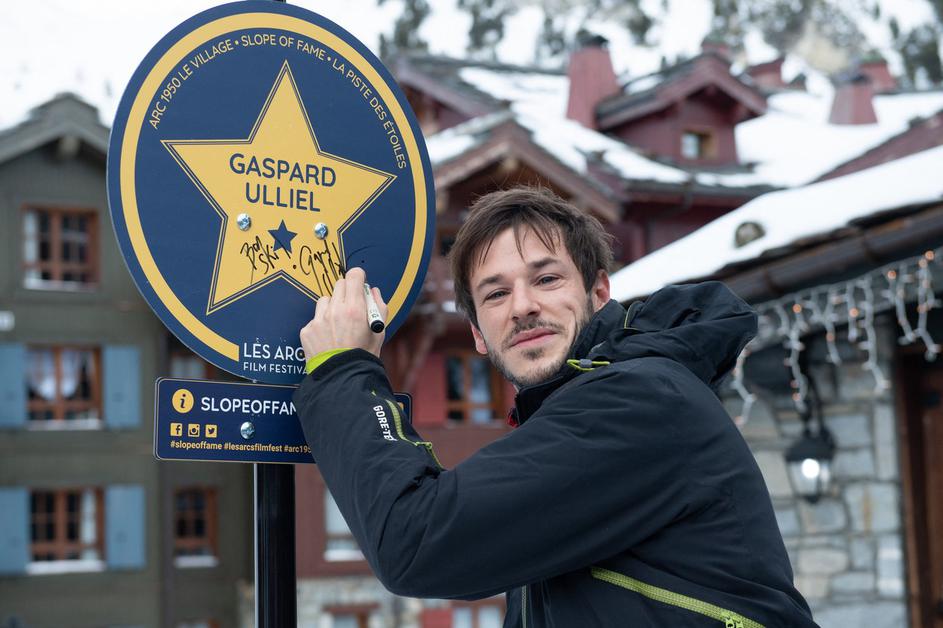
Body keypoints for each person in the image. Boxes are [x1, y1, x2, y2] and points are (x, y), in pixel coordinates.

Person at [295, 187, 818, 627]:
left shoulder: (641, 400)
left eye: (547, 279)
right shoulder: (574, 420)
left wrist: (346, 371)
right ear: (478, 334)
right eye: (496, 294)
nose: (523, 306)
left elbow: (417, 540)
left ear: (599, 292)